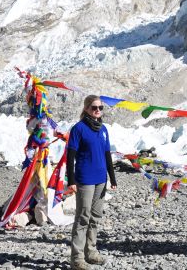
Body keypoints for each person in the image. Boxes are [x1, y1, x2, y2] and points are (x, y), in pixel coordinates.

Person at [66, 95, 117, 270]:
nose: (97, 110)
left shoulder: (103, 129)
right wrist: (71, 180)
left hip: (101, 179)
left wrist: (112, 177)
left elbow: (107, 154)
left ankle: (91, 251)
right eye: (94, 107)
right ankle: (77, 258)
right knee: (83, 217)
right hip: (85, 179)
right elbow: (70, 155)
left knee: (95, 217)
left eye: (100, 108)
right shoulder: (78, 129)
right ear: (86, 108)